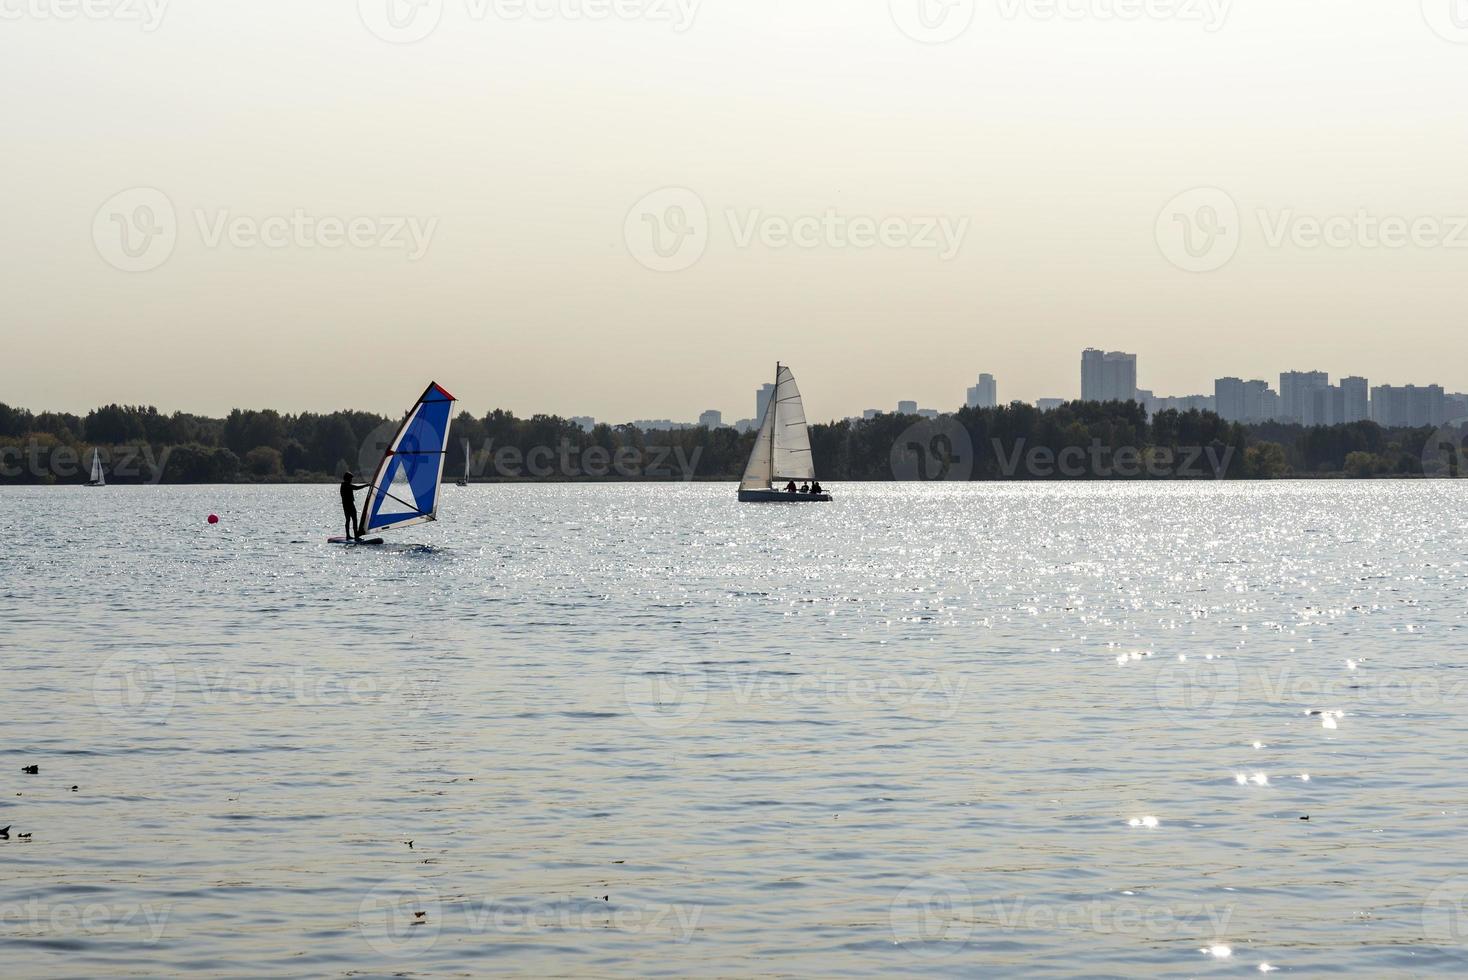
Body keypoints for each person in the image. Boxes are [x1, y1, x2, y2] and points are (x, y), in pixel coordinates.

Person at [340, 471, 369, 540]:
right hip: (348, 505)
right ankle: (355, 536)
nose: (351, 480)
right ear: (347, 478)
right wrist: (365, 485)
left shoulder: (345, 484)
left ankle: (349, 536)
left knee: (349, 520)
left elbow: (354, 487)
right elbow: (356, 488)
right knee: (353, 520)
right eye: (350, 478)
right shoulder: (346, 485)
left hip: (346, 505)